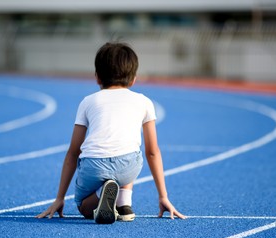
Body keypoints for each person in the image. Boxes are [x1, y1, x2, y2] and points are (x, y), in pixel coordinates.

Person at [36, 42, 186, 224]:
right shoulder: (144, 102)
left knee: (83, 206)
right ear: (133, 80)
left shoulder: (88, 101)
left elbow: (74, 151)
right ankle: (124, 203)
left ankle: (101, 194)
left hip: (93, 166)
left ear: (97, 77)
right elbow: (152, 151)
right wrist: (163, 197)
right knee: (129, 148)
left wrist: (59, 198)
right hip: (128, 166)